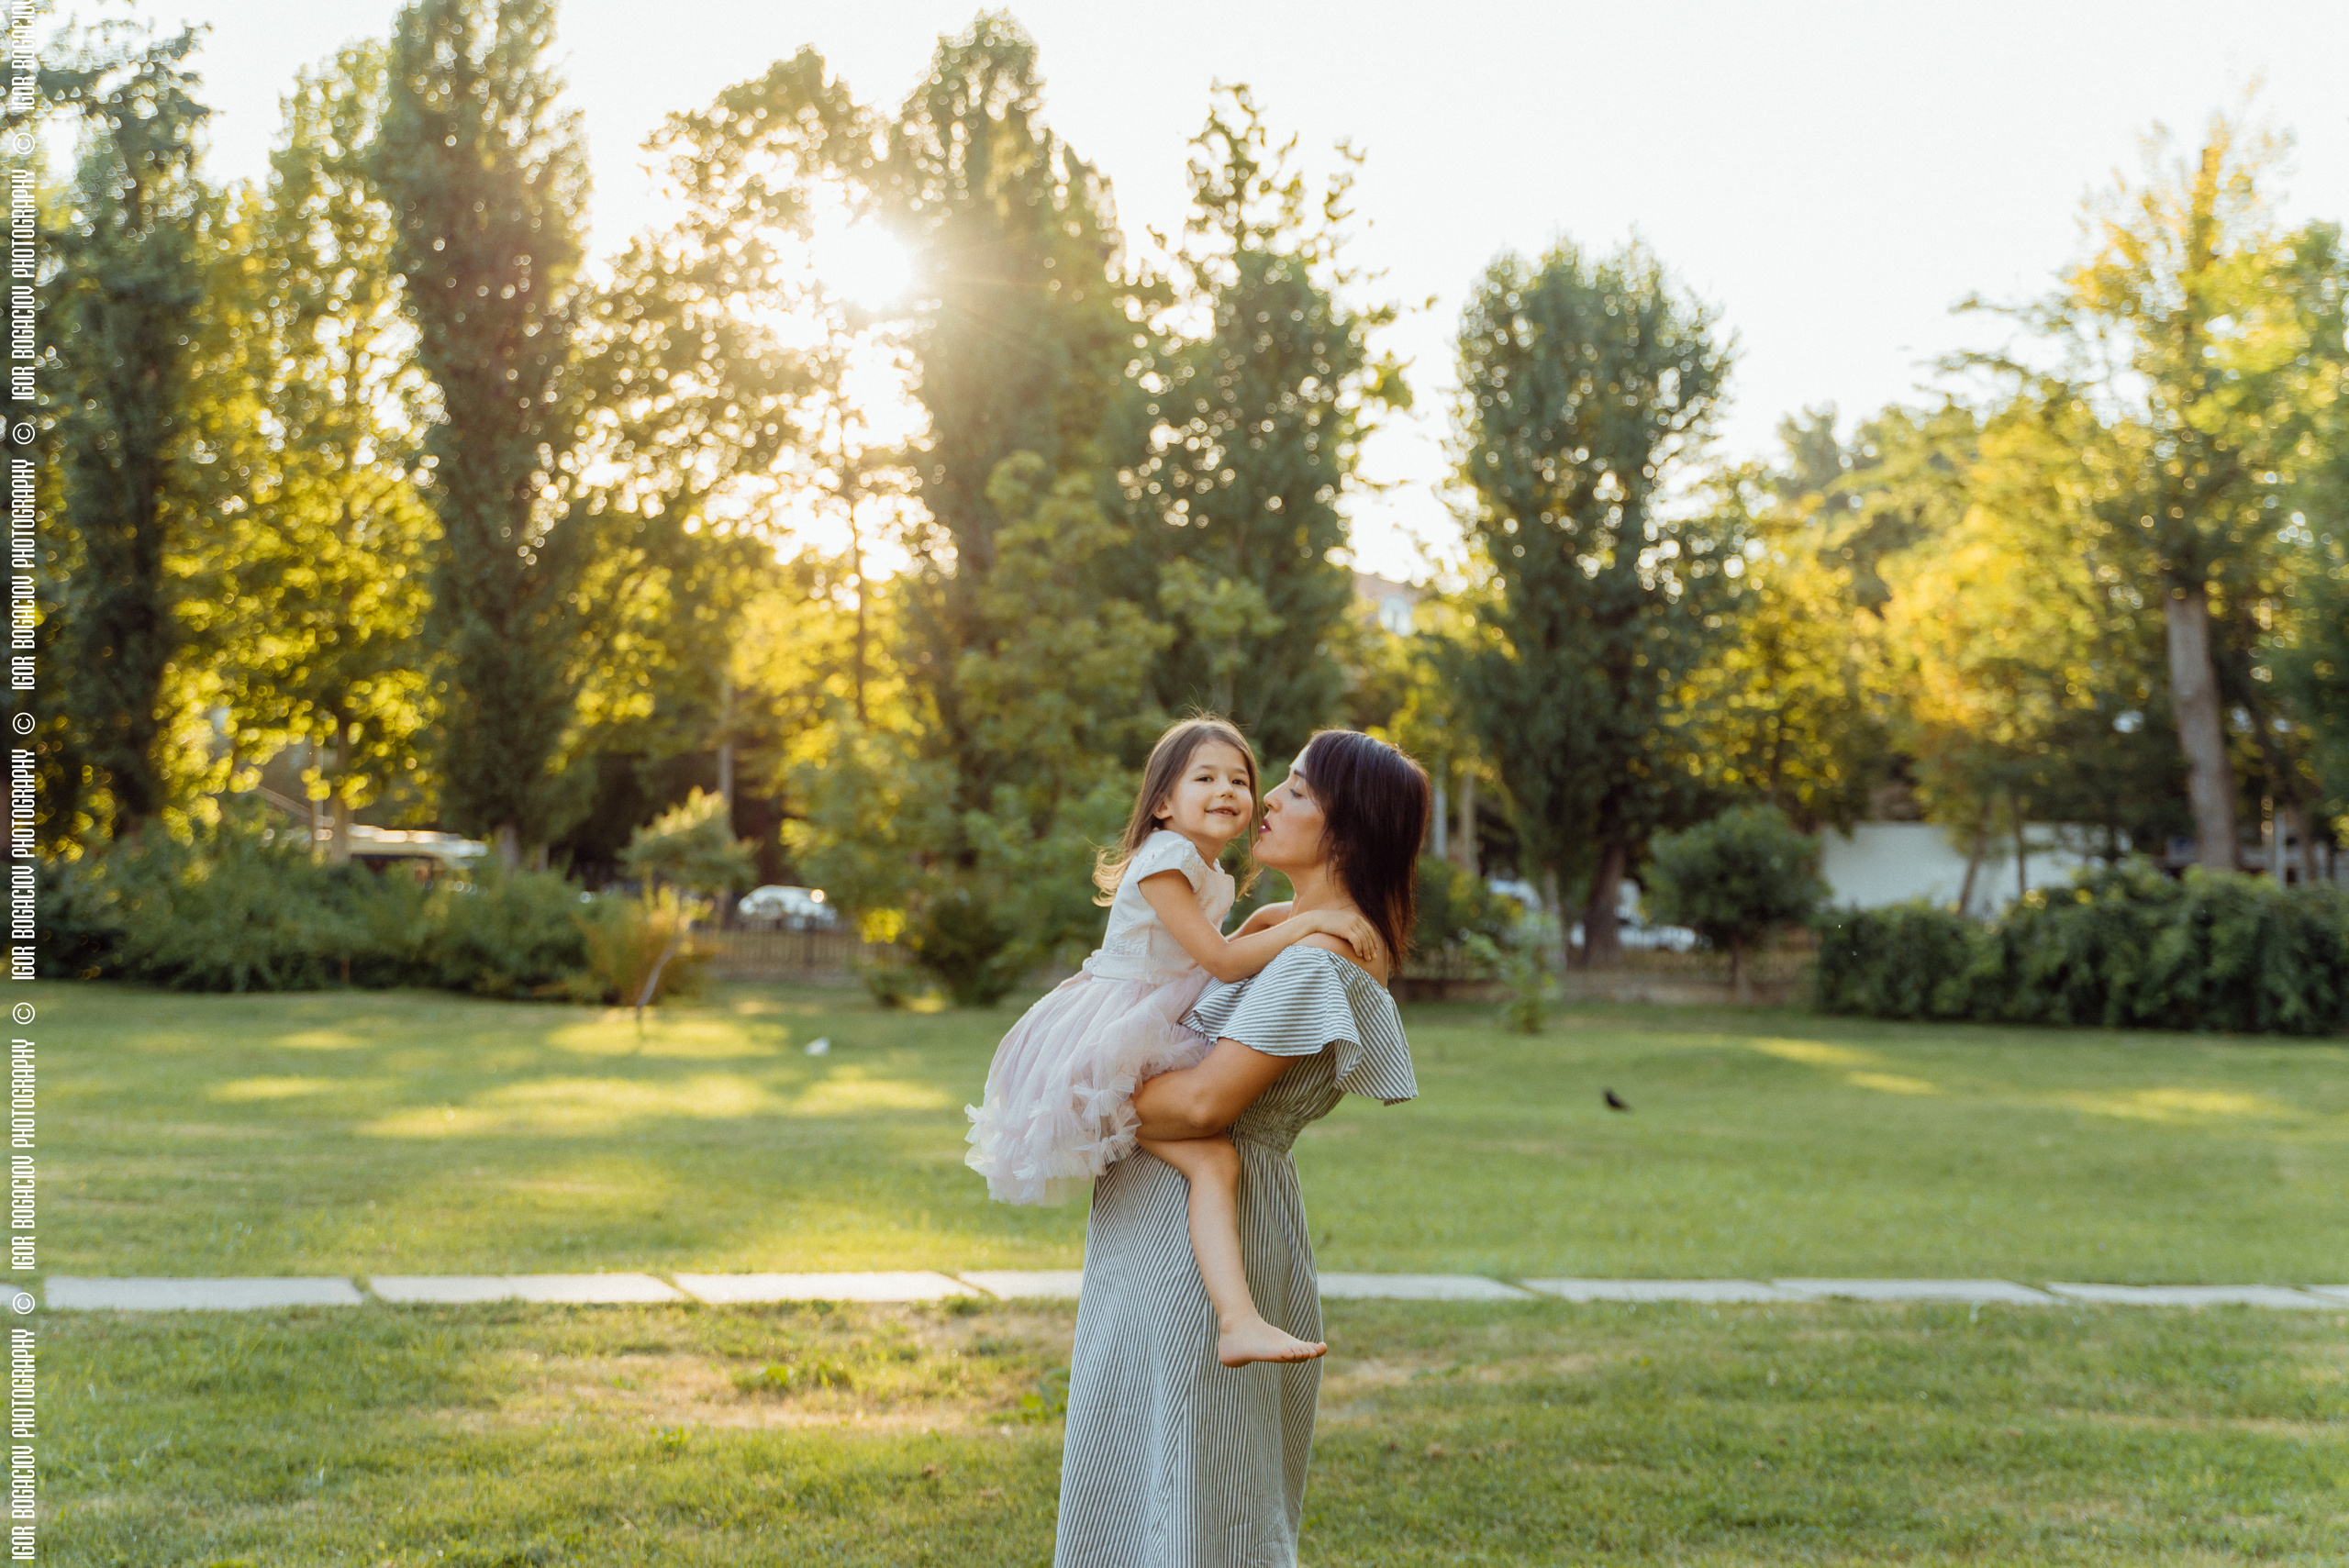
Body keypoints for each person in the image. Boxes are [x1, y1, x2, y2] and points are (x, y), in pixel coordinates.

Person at [1054, 728, 1431, 1568]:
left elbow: (1199, 1104)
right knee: (1137, 1482)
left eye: (1295, 791)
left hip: (1206, 1257)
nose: (1264, 798)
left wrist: (1078, 1099)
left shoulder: (1313, 963)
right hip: (1152, 1231)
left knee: (1202, 1500)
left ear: (1347, 828)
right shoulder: (1282, 929)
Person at [964, 716, 1384, 1367]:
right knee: (1214, 1159)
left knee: (1215, 1164)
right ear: (1162, 803)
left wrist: (1285, 919)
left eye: (1240, 779)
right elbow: (1219, 962)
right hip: (1113, 1040)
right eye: (1206, 777)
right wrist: (1316, 920)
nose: (1233, 790)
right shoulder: (1164, 859)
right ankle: (1238, 1319)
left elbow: (1212, 958)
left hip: (1152, 1027)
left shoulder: (1206, 871)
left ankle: (1237, 1321)